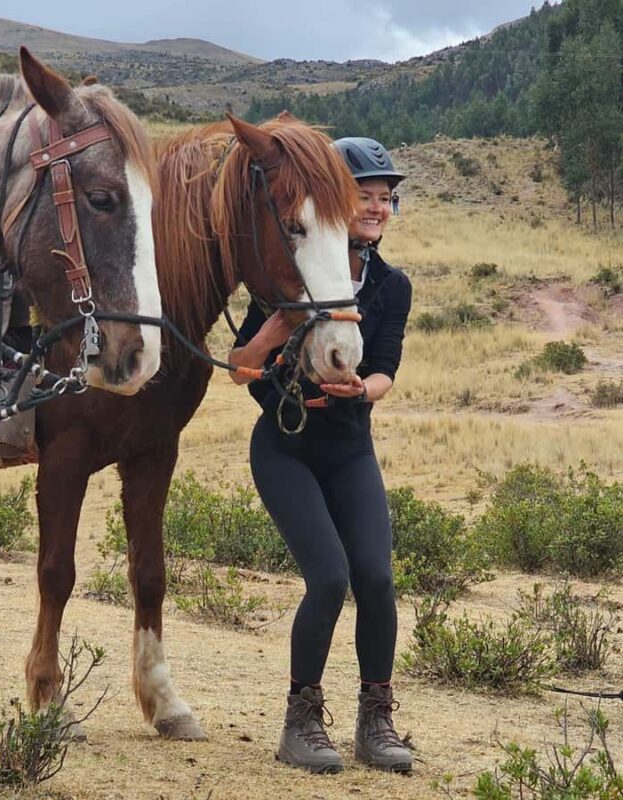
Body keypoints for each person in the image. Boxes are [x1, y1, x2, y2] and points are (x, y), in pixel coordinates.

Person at [228, 137, 413, 775]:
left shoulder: (392, 285)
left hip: (350, 446)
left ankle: (375, 720)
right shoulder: (294, 270)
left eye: (385, 199)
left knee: (378, 579)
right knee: (329, 578)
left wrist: (364, 387)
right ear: (334, 202)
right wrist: (282, 322)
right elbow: (240, 369)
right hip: (286, 447)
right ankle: (300, 722)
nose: (377, 207)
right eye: (364, 196)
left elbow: (385, 368)